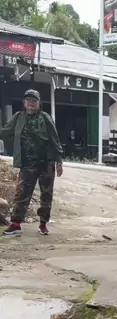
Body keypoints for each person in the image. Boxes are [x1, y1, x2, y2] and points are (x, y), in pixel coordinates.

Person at [0, 89, 63, 237]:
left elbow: (55, 139)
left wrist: (59, 160)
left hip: (46, 162)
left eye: (34, 100)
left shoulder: (45, 118)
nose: (31, 102)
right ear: (24, 102)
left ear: (39, 103)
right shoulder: (19, 117)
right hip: (27, 163)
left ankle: (43, 224)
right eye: (28, 100)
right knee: (22, 193)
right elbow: (6, 131)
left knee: (46, 194)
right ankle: (16, 225)